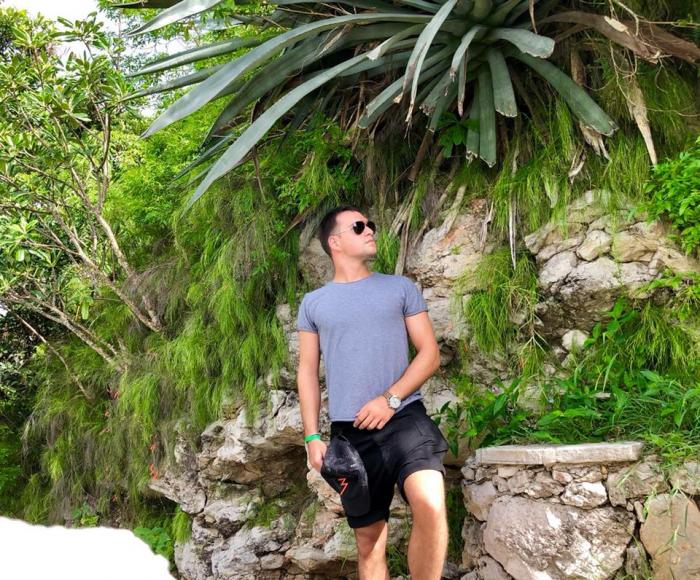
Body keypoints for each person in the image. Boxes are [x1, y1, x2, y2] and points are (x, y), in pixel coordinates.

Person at [296, 204, 449, 580]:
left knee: (430, 504)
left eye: (370, 225)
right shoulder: (313, 303)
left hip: (404, 418)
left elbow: (429, 354)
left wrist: (390, 399)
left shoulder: (400, 288)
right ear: (334, 242)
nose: (370, 230)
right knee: (369, 542)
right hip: (351, 436)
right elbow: (307, 372)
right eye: (358, 226)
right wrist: (312, 436)